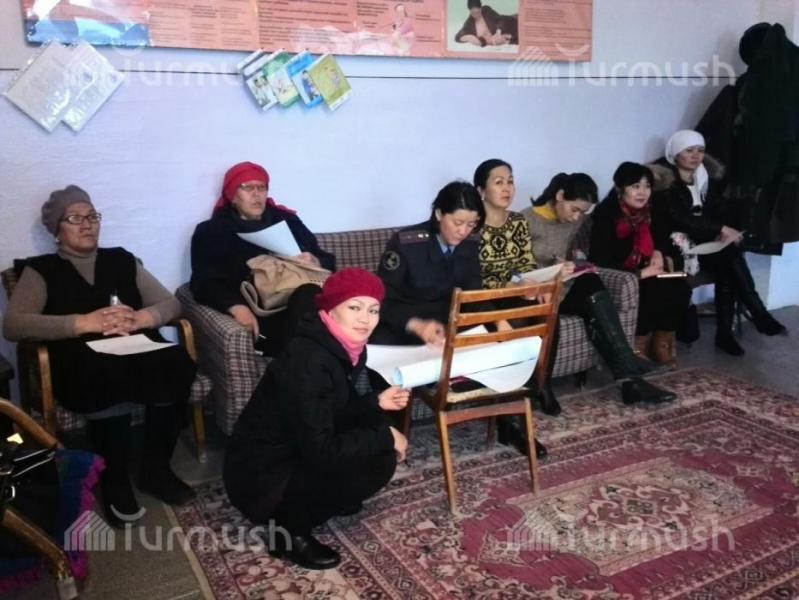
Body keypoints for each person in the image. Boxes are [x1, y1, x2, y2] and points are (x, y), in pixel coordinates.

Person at [3, 186, 197, 528]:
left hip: (133, 345)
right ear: (57, 229)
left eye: (92, 216)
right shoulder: (41, 270)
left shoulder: (121, 259)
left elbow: (170, 303)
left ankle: (156, 469)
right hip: (80, 356)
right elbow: (14, 325)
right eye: (74, 218)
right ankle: (114, 478)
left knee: (176, 363)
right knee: (103, 374)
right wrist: (81, 323)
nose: (86, 224)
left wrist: (142, 318)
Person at [223, 269, 408, 570]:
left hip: (288, 449)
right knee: (379, 458)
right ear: (330, 309)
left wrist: (375, 402)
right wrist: (385, 436)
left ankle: (325, 499)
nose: (365, 319)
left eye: (373, 310)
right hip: (260, 477)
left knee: (373, 433)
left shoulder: (339, 344)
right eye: (354, 307)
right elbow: (321, 450)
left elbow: (332, 407)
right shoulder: (309, 360)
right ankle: (287, 531)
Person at [372, 180, 547, 458]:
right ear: (439, 214)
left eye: (471, 224)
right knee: (381, 348)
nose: (464, 231)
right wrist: (417, 325)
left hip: (449, 322)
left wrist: (498, 321)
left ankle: (510, 425)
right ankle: (390, 435)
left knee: (508, 338)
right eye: (458, 223)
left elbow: (473, 294)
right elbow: (382, 301)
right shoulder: (406, 243)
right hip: (406, 323)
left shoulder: (470, 243)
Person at [521, 173, 676, 405]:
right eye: (574, 209)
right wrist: (551, 269)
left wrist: (566, 262)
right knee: (589, 296)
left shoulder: (576, 222)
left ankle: (630, 380)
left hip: (562, 285)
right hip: (538, 291)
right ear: (560, 196)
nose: (576, 217)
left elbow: (583, 246)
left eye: (582, 212)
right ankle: (629, 369)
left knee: (590, 282)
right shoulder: (525, 220)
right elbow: (520, 266)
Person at [649, 130, 788, 356]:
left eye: (700, 150)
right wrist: (720, 229)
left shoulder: (705, 178)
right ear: (675, 154)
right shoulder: (664, 184)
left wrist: (726, 231)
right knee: (729, 261)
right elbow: (680, 218)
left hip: (704, 244)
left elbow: (718, 211)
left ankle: (728, 332)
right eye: (689, 150)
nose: (696, 156)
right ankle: (753, 315)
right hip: (676, 247)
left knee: (729, 259)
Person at [190, 162, 336, 356]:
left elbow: (328, 261)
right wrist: (236, 307)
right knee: (310, 300)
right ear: (233, 195)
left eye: (261, 187)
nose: (256, 194)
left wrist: (315, 261)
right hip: (266, 312)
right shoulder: (213, 231)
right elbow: (204, 283)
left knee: (337, 297)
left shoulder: (287, 221)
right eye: (247, 187)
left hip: (305, 302)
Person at [474, 158, 561, 416]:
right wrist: (512, 283)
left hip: (514, 292)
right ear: (481, 190)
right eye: (498, 182)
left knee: (547, 310)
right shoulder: (472, 226)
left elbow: (526, 263)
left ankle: (542, 385)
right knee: (516, 319)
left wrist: (537, 284)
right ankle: (511, 400)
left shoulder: (518, 221)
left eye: (510, 182)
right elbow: (472, 277)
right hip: (483, 298)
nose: (507, 188)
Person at [590, 162, 692, 367]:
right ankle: (638, 346)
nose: (642, 192)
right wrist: (640, 273)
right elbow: (600, 258)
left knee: (682, 288)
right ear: (620, 189)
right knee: (653, 288)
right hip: (619, 275)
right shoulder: (606, 215)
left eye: (647, 186)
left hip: (646, 269)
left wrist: (658, 252)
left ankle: (661, 344)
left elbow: (662, 236)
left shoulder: (650, 211)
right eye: (635, 186)